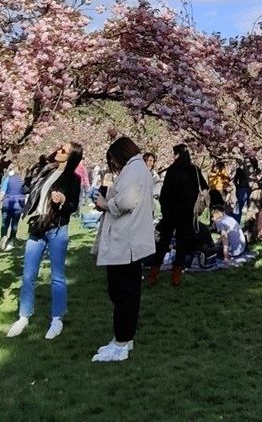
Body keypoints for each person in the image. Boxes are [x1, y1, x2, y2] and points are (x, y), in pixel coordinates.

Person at [91, 134, 156, 363]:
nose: (114, 167)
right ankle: (124, 338)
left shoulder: (132, 171)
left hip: (125, 241)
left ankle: (121, 342)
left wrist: (106, 204)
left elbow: (127, 201)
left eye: (114, 161)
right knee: (126, 293)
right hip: (131, 241)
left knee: (122, 294)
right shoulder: (140, 170)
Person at [7, 142, 83, 340]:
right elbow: (26, 189)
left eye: (63, 151)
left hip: (57, 227)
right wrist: (32, 173)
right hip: (37, 226)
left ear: (71, 156)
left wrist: (64, 202)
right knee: (28, 274)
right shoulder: (45, 171)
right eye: (59, 148)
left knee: (57, 275)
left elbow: (74, 206)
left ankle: (57, 318)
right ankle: (24, 316)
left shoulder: (73, 179)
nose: (58, 151)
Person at [149, 143, 207, 287]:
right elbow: (205, 187)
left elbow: (164, 194)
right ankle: (176, 275)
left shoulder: (172, 170)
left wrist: (164, 209)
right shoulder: (194, 169)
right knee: (182, 243)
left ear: (177, 155)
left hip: (170, 212)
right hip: (187, 212)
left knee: (163, 242)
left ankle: (153, 273)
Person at [0, 166, 26, 251]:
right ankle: (12, 239)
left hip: (7, 203)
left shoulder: (8, 179)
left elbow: (2, 192)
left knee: (4, 223)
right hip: (18, 204)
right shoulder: (22, 180)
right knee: (15, 224)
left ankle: (3, 237)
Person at [233, 157, 254, 223]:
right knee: (248, 206)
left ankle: (238, 221)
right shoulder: (250, 170)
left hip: (242, 188)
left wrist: (237, 186)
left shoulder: (240, 169)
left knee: (241, 206)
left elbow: (235, 179)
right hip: (247, 188)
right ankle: (248, 222)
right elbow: (236, 179)